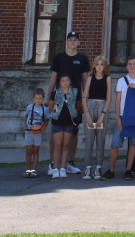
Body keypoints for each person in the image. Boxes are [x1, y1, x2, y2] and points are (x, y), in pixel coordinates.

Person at [45, 31, 90, 176]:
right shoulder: (59, 58)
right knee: (56, 131)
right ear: (66, 42)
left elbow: (85, 80)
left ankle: (70, 162)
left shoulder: (82, 59)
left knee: (74, 131)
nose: (72, 42)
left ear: (78, 43)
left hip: (75, 100)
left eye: (75, 40)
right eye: (70, 40)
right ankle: (53, 164)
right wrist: (48, 98)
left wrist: (84, 99)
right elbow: (53, 78)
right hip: (58, 99)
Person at [102, 54, 135, 181]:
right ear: (127, 66)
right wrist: (117, 118)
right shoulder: (122, 81)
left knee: (133, 144)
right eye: (130, 64)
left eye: (134, 64)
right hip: (123, 115)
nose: (132, 66)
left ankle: (128, 169)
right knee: (115, 144)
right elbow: (117, 100)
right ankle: (111, 169)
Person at [82, 54, 112, 180]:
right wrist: (87, 114)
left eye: (102, 64)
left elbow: (109, 98)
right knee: (89, 141)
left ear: (105, 66)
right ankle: (88, 168)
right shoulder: (90, 78)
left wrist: (102, 116)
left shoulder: (108, 78)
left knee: (100, 141)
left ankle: (98, 167)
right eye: (97, 64)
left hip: (102, 107)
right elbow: (84, 97)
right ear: (94, 65)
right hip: (90, 105)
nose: (99, 66)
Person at [49, 74, 80, 178]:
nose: (65, 82)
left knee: (66, 145)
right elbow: (51, 106)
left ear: (70, 81)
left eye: (67, 80)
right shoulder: (56, 92)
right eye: (63, 80)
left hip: (69, 122)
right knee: (57, 145)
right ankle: (55, 168)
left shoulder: (75, 92)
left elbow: (78, 106)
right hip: (57, 121)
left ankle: (63, 168)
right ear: (60, 82)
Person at [23, 87, 49, 177]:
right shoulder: (30, 107)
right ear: (33, 98)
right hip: (29, 131)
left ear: (43, 99)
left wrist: (45, 126)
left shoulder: (44, 109)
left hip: (38, 132)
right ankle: (27, 170)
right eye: (36, 98)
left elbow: (46, 119)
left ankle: (34, 170)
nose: (38, 100)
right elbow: (26, 116)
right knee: (28, 151)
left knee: (36, 151)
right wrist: (24, 124)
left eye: (40, 98)